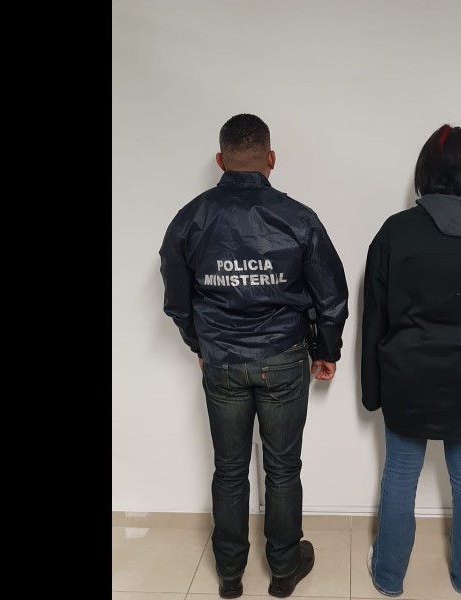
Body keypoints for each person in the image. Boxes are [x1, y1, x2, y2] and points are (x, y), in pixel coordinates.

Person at [159, 113, 349, 599]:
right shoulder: (299, 218)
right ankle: (283, 570)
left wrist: (201, 344)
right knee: (282, 469)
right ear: (271, 159)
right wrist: (326, 350)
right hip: (283, 358)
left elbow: (177, 302)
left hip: (221, 361)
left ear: (221, 160)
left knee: (229, 470)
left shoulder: (190, 219)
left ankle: (230, 575)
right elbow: (331, 296)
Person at [361, 124, 461, 596]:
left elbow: (375, 319)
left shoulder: (395, 232)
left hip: (406, 379)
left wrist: (372, 391)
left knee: (400, 473)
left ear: (425, 171)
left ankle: (389, 577)